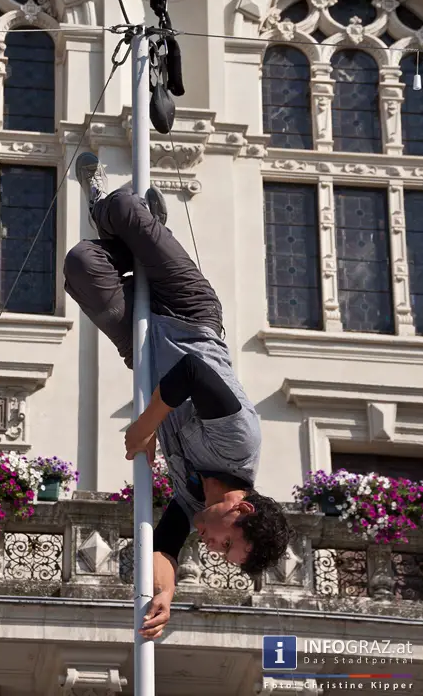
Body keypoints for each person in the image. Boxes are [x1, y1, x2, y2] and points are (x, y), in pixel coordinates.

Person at [64, 152, 290, 640]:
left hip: (141, 351)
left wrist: (165, 592)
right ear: (241, 511)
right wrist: (144, 427)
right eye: (227, 546)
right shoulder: (240, 443)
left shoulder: (191, 500)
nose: (212, 551)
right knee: (123, 207)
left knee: (82, 263)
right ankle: (130, 222)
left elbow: (165, 546)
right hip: (191, 317)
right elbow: (193, 372)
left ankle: (144, 238)